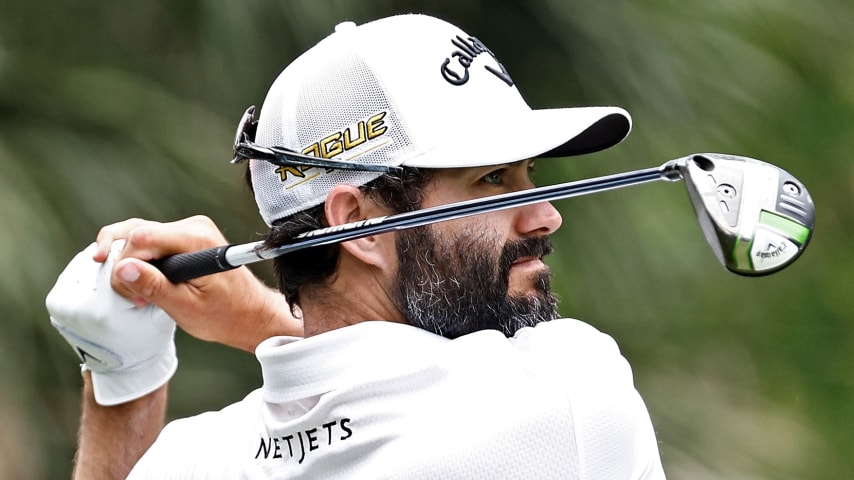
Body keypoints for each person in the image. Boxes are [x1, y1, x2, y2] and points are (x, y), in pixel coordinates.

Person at [47, 13, 666, 479]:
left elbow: (353, 383)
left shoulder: (192, 462)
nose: (545, 216)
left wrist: (123, 377)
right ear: (360, 223)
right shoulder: (565, 392)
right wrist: (259, 318)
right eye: (494, 179)